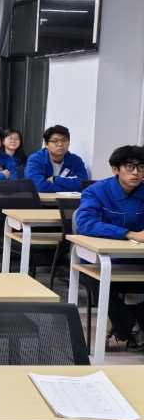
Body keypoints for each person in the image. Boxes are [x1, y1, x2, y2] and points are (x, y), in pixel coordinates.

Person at [75, 145, 144, 344]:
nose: (136, 172)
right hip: (100, 260)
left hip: (137, 260)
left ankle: (130, 321)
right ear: (115, 169)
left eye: (141, 167)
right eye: (129, 166)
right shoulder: (96, 191)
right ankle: (131, 325)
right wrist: (128, 234)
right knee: (97, 279)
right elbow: (85, 223)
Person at [25, 125, 88, 193]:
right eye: (55, 141)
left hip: (69, 199)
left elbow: (83, 184)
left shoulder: (75, 160)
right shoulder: (36, 159)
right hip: (42, 199)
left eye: (64, 140)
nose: (60, 144)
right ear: (46, 144)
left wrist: (55, 179)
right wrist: (67, 189)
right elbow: (39, 186)